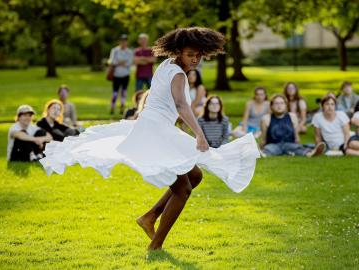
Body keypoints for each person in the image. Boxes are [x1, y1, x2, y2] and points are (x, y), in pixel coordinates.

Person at [40, 27, 260, 251]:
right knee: (183, 189)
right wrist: (199, 135)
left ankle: (149, 216)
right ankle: (155, 245)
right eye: (190, 54)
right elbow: (180, 105)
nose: (195, 59)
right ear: (178, 51)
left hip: (156, 128)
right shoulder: (177, 74)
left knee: (195, 175)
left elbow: (166, 103)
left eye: (198, 55)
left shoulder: (166, 65)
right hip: (156, 132)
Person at [260, 94, 325, 157]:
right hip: (273, 145)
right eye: (276, 103)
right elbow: (264, 139)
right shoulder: (266, 118)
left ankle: (310, 153)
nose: (279, 106)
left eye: (282, 103)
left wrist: (298, 145)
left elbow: (296, 136)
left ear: (286, 105)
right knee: (269, 149)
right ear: (271, 106)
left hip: (289, 144)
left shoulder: (292, 116)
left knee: (297, 148)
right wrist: (261, 147)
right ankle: (263, 153)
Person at [108, 34, 134, 114]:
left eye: (125, 41)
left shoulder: (129, 51)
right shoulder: (115, 50)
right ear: (119, 42)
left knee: (124, 92)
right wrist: (122, 62)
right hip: (116, 74)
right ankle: (112, 107)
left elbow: (130, 62)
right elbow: (112, 61)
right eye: (122, 41)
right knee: (115, 92)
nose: (123, 43)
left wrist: (120, 62)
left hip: (125, 74)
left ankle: (122, 107)